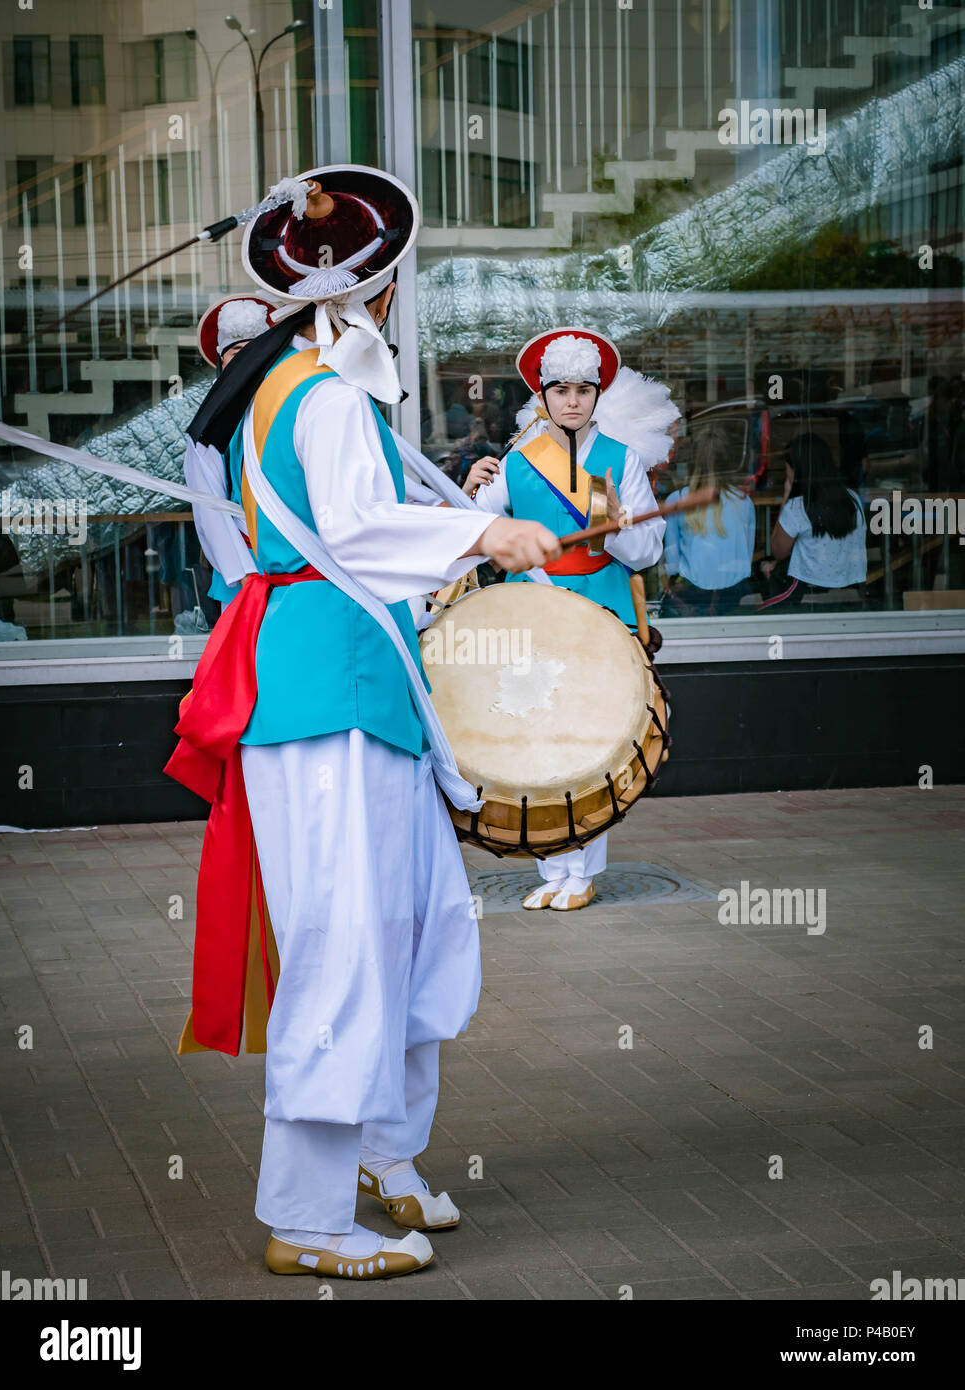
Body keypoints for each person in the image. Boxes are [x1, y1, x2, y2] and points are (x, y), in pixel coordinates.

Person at [166, 166, 561, 1281]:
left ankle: (385, 1151)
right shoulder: (323, 396)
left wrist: (469, 523)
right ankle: (307, 1213)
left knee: (420, 924)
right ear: (377, 292)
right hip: (328, 696)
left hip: (358, 691)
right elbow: (352, 527)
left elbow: (372, 520)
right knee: (346, 949)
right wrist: (484, 539)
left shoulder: (294, 389)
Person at [463, 329, 674, 912]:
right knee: (535, 736)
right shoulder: (517, 460)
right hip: (531, 607)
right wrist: (470, 493)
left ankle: (581, 870)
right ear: (544, 395)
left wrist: (622, 526)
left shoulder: (622, 460)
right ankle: (556, 869)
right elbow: (475, 539)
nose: (573, 401)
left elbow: (648, 550)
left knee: (589, 739)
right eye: (561, 390)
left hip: (598, 609)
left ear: (597, 394)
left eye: (584, 389)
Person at [187, 295, 280, 613]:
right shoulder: (210, 424)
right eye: (237, 352)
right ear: (221, 361)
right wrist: (243, 573)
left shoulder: (293, 403)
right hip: (246, 564)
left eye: (256, 352)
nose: (246, 361)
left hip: (301, 562)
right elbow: (208, 506)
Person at [758, 432, 866, 609]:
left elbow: (778, 550)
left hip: (807, 591)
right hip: (850, 586)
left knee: (764, 576)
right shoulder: (853, 499)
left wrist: (787, 493)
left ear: (796, 470)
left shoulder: (797, 507)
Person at [660, 424, 757, 616]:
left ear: (693, 460)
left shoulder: (676, 501)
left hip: (692, 593)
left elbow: (672, 563)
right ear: (729, 461)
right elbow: (747, 554)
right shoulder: (744, 502)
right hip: (735, 593)